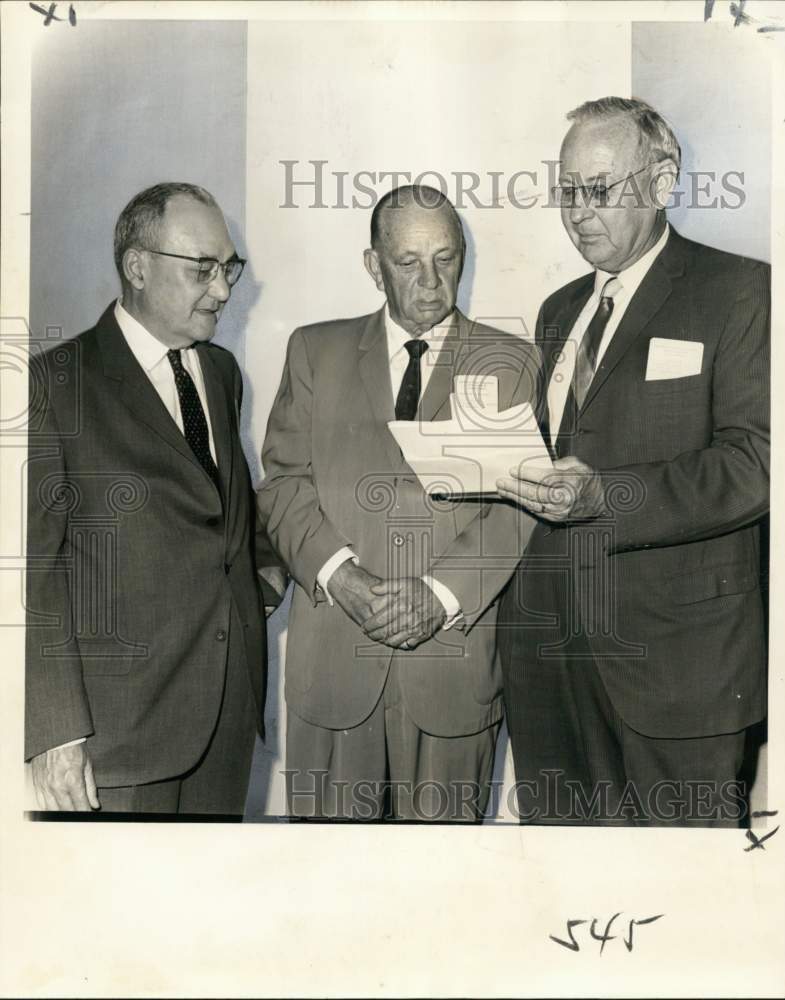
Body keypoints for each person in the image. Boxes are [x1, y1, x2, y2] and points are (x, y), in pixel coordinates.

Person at [496, 97, 769, 826]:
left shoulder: (742, 292)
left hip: (678, 668)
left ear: (662, 181)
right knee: (566, 889)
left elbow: (756, 463)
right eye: (566, 192)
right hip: (550, 661)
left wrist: (604, 498)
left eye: (599, 189)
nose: (578, 212)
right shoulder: (558, 309)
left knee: (681, 903)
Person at [257, 185, 540, 821]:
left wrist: (438, 595)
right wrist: (341, 576)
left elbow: (518, 508)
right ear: (372, 265)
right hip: (333, 666)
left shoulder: (511, 360)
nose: (432, 281)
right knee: (327, 883)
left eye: (447, 258)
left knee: (442, 891)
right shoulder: (313, 351)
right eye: (409, 262)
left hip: (451, 671)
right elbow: (283, 483)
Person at [25, 182, 285, 816]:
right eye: (203, 269)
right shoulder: (53, 386)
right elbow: (30, 572)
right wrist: (54, 730)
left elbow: (224, 503)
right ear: (137, 267)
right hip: (116, 739)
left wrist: (262, 579)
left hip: (225, 720)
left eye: (229, 269)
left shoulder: (220, 372)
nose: (223, 290)